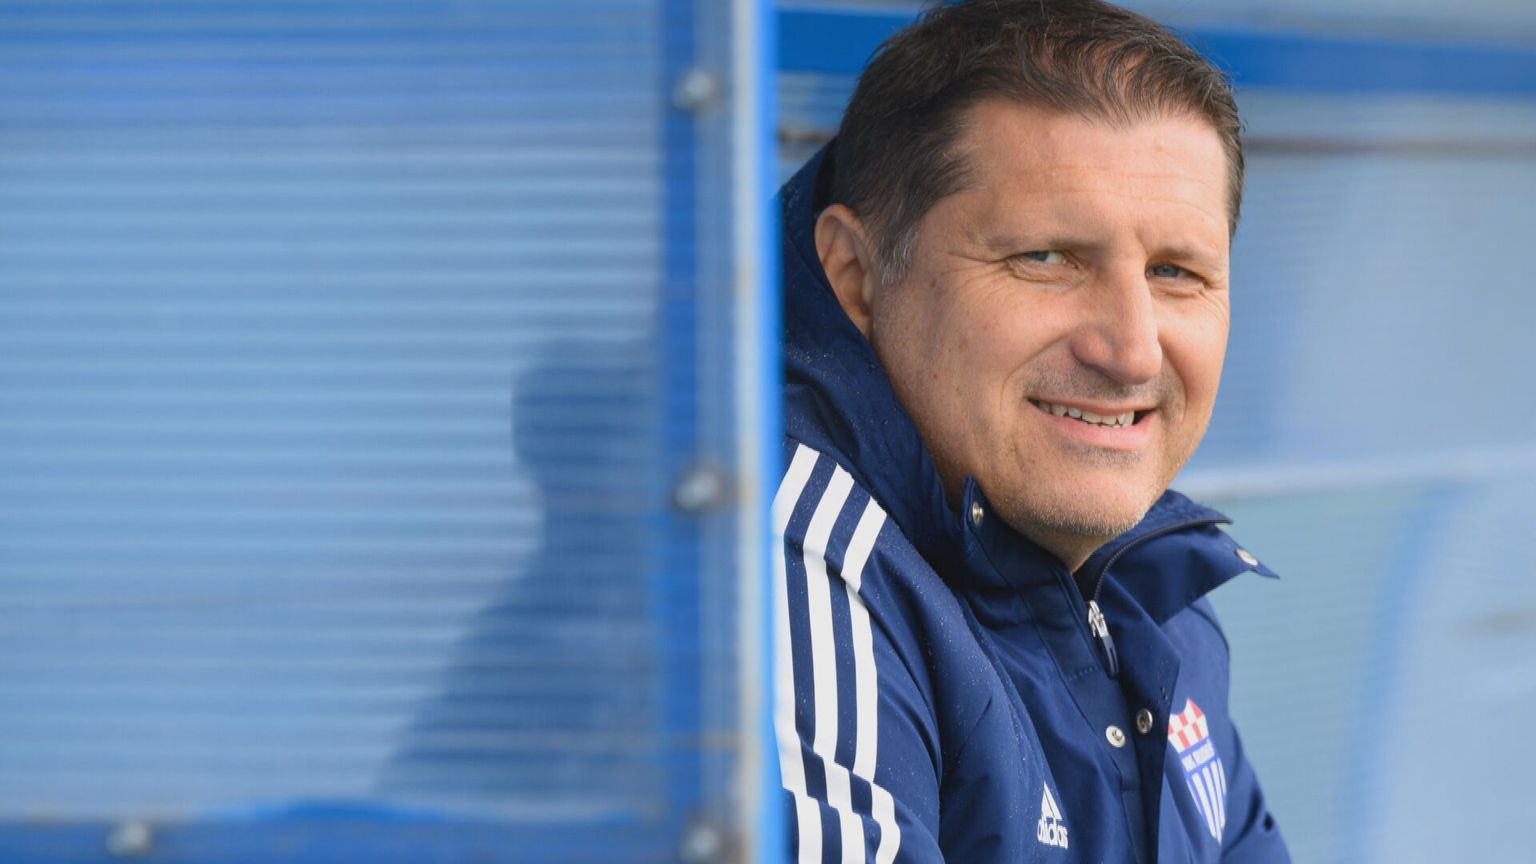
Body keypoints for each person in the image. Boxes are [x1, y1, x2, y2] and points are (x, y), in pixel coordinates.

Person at [773, 1, 1290, 861]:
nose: (1131, 350)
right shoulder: (787, 565)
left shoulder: (1147, 583)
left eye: (1175, 272)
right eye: (1046, 259)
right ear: (857, 277)